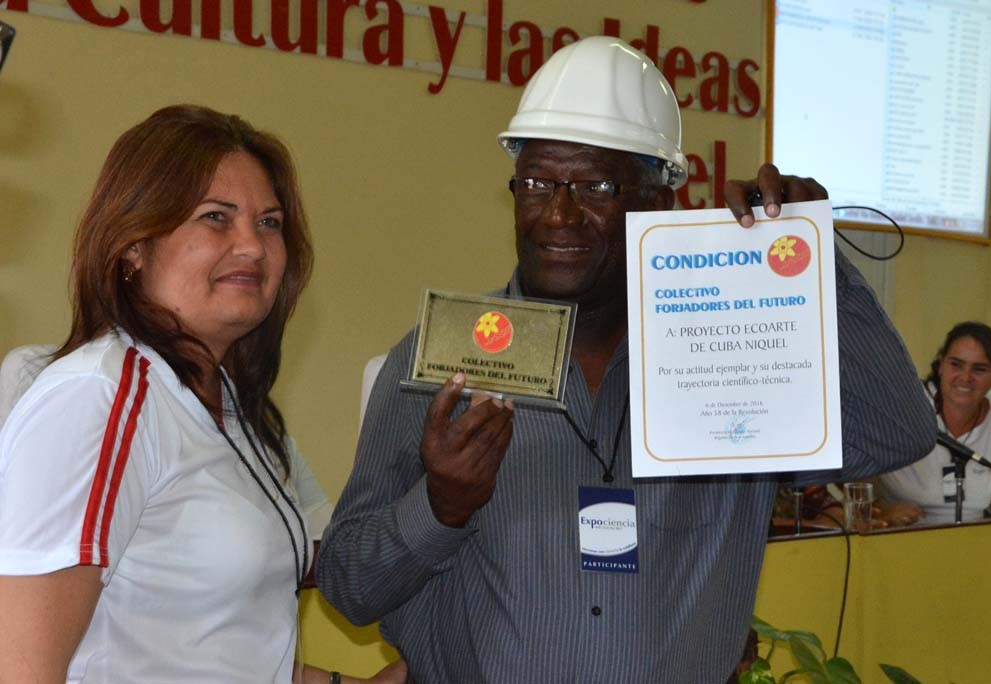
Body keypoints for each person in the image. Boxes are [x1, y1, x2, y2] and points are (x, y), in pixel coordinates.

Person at [316, 37, 935, 682]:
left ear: (658, 203)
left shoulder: (729, 360)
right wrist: (441, 506)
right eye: (537, 183)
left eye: (596, 187)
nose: (559, 215)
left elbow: (897, 434)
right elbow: (348, 588)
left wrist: (812, 259)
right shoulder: (445, 363)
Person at [0, 105, 405, 684]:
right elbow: (19, 667)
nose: (253, 247)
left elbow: (211, 645)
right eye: (216, 217)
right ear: (135, 244)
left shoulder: (232, 408)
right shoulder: (101, 396)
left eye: (269, 223)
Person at [878, 322, 991, 524]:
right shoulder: (900, 411)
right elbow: (850, 477)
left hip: (976, 536)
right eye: (956, 365)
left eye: (979, 369)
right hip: (900, 533)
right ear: (940, 365)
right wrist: (880, 510)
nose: (965, 377)